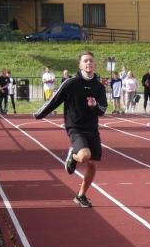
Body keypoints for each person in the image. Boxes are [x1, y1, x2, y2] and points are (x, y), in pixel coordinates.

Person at [34, 51, 108, 208]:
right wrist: (39, 114)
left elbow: (102, 110)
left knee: (93, 164)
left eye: (91, 61)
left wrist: (95, 106)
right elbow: (55, 100)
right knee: (84, 156)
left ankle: (81, 195)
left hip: (92, 128)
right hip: (75, 127)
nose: (88, 63)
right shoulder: (71, 83)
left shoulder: (99, 86)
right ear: (80, 64)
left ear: (94, 65)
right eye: (85, 61)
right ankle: (73, 156)